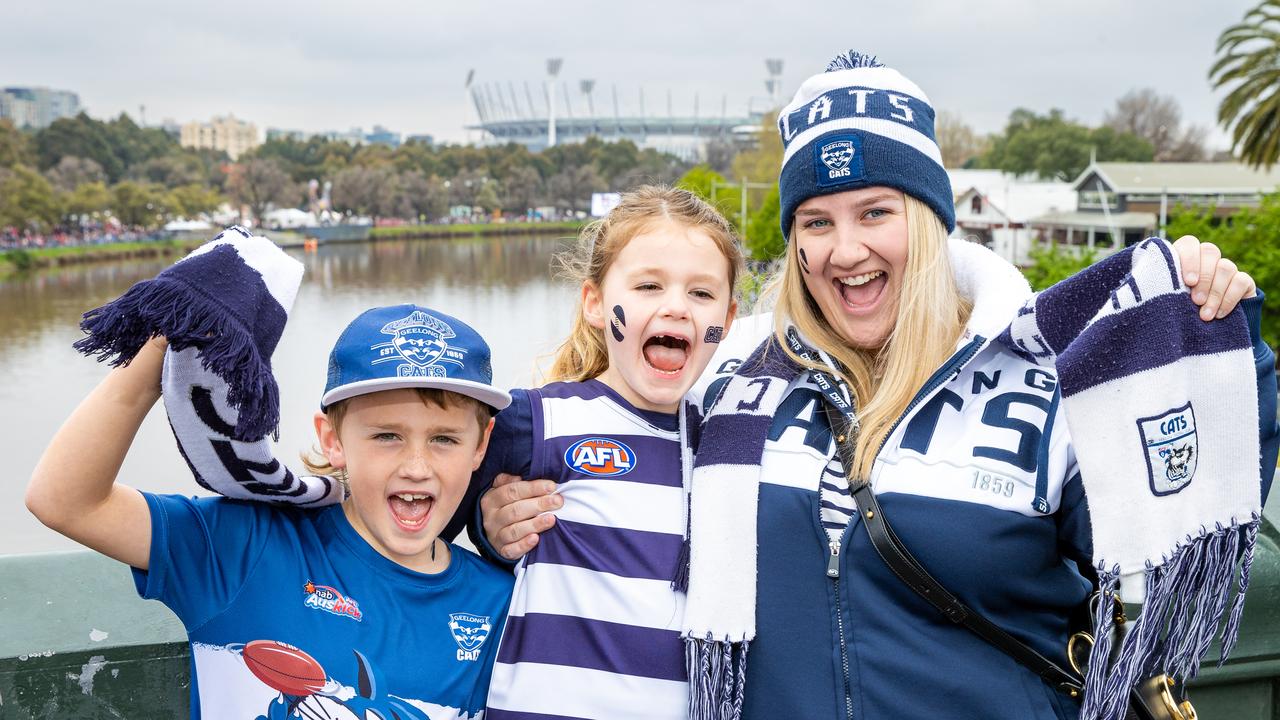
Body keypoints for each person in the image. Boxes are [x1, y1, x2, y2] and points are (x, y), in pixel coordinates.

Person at [480, 53, 1278, 720]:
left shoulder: (1047, 374)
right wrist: (501, 519)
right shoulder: (733, 372)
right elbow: (606, 441)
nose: (846, 248)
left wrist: (1214, 334)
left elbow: (1180, 529)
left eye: (875, 212)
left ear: (928, 221)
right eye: (816, 222)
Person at [26, 302, 515, 720]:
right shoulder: (247, 544)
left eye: (444, 439)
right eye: (386, 435)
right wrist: (164, 338)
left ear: (481, 446)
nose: (416, 467)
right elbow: (65, 500)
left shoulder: (502, 604)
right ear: (332, 439)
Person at [469, 185, 743, 719]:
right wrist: (491, 532)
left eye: (701, 294)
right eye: (648, 286)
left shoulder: (728, 447)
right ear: (595, 302)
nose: (675, 308)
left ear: (728, 320)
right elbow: (438, 516)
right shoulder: (537, 420)